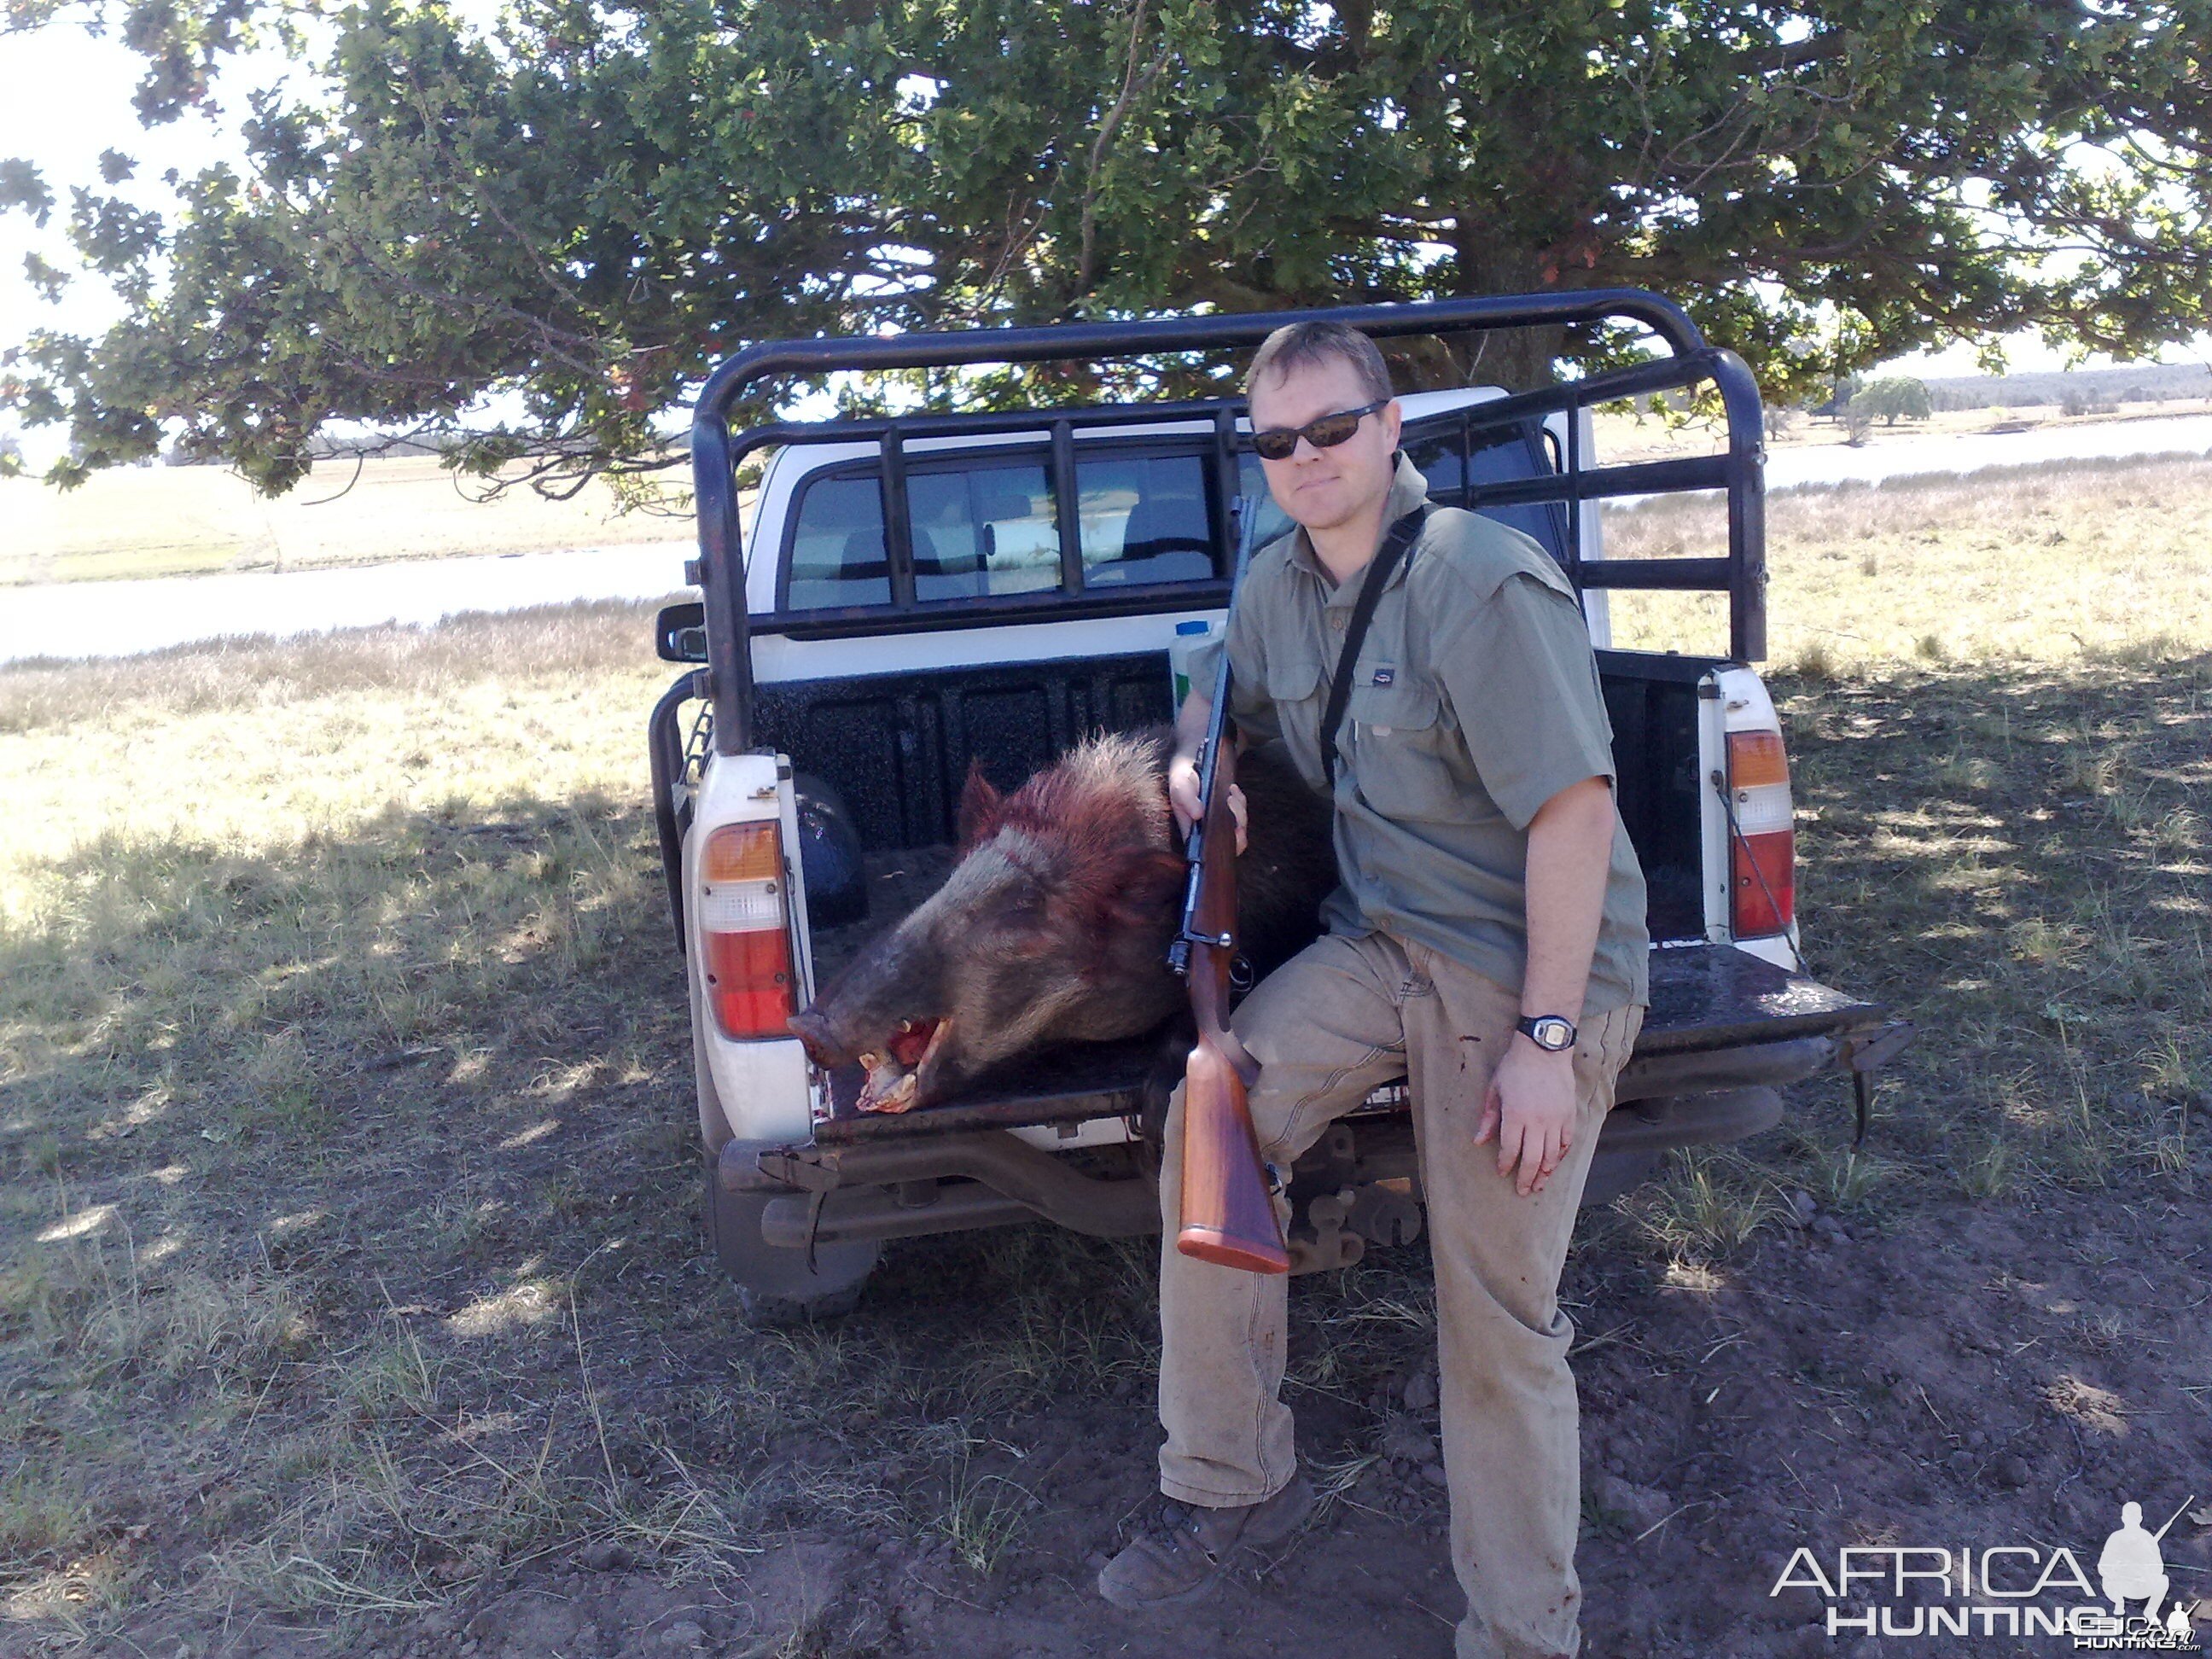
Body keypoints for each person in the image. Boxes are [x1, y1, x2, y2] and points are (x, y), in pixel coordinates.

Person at [1095, 320, 1651, 1659]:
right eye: (1277, 440)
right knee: (1211, 1125)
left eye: (1333, 428)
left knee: (1495, 1314)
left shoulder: (1480, 579)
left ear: (1391, 427)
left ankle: (1522, 1633)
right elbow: (1217, 706)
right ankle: (1233, 1486)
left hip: (1526, 967)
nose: (1307, 459)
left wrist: (1545, 1039)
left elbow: (1573, 820)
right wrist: (1192, 764)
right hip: (1381, 942)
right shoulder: (1275, 585)